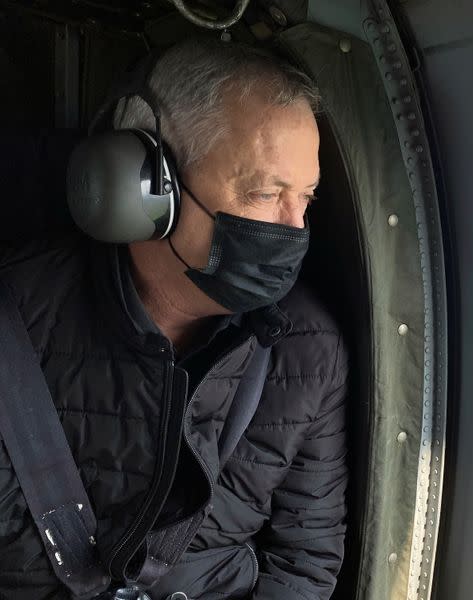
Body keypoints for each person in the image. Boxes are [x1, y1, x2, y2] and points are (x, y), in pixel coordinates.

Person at [0, 38, 348, 600]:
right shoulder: (12, 322)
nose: (293, 230)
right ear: (143, 187)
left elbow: (304, 561)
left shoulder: (309, 349)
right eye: (264, 193)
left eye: (304, 198)